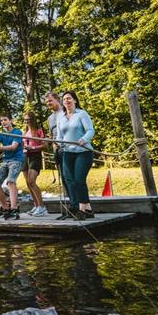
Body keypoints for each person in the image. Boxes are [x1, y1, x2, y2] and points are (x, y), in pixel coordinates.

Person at [57, 91, 95, 220]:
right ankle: (88, 209)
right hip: (67, 152)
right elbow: (59, 137)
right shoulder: (61, 118)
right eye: (64, 99)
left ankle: (82, 210)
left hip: (83, 152)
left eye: (69, 98)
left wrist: (84, 139)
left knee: (79, 180)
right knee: (70, 181)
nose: (66, 101)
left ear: (75, 100)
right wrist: (58, 144)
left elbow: (90, 130)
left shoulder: (81, 114)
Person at [0, 113, 25, 220]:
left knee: (11, 181)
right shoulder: (1, 134)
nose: (3, 122)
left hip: (16, 160)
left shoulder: (17, 132)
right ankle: (5, 208)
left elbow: (13, 147)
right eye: (1, 120)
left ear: (11, 120)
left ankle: (14, 208)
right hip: (6, 160)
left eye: (5, 120)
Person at [46, 92, 74, 219]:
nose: (49, 104)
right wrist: (54, 151)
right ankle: (70, 208)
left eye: (50, 101)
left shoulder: (65, 112)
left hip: (69, 149)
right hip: (58, 150)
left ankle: (79, 207)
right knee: (63, 178)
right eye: (47, 102)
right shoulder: (50, 118)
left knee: (71, 178)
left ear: (57, 100)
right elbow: (52, 137)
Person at [22, 112, 47, 217]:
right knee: (28, 183)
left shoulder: (39, 131)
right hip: (25, 156)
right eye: (25, 119)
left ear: (33, 119)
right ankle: (36, 206)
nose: (27, 121)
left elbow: (45, 145)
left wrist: (32, 148)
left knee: (32, 181)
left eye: (28, 119)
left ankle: (42, 207)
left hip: (35, 156)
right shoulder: (25, 131)